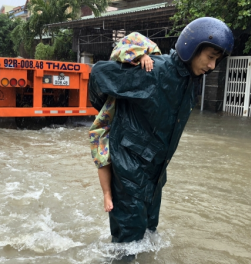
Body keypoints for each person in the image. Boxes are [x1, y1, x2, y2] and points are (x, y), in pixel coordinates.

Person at [88, 17, 234, 243]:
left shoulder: (190, 82)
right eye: (211, 58)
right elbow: (98, 73)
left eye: (217, 60)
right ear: (192, 48)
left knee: (149, 234)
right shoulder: (154, 70)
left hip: (155, 173)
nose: (213, 66)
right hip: (129, 169)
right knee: (128, 243)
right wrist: (113, 112)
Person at [89, 32, 161, 213]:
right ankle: (106, 193)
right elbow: (119, 53)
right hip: (112, 116)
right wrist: (140, 56)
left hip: (138, 127)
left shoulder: (153, 76)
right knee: (101, 148)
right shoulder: (117, 71)